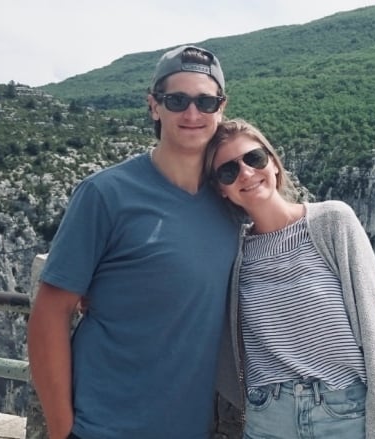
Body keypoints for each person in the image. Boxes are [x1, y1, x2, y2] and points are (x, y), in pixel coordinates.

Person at [27, 45, 240, 439]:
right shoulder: (105, 194)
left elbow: (290, 229)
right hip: (101, 427)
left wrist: (361, 280)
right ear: (154, 106)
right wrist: (61, 430)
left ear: (221, 109)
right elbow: (49, 315)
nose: (192, 114)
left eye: (205, 102)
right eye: (177, 100)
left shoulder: (229, 199)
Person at [207, 118, 375, 438]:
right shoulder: (229, 251)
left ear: (273, 163)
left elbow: (374, 331)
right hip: (266, 416)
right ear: (221, 189)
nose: (246, 173)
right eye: (228, 171)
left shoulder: (332, 221)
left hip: (343, 412)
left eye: (254, 158)